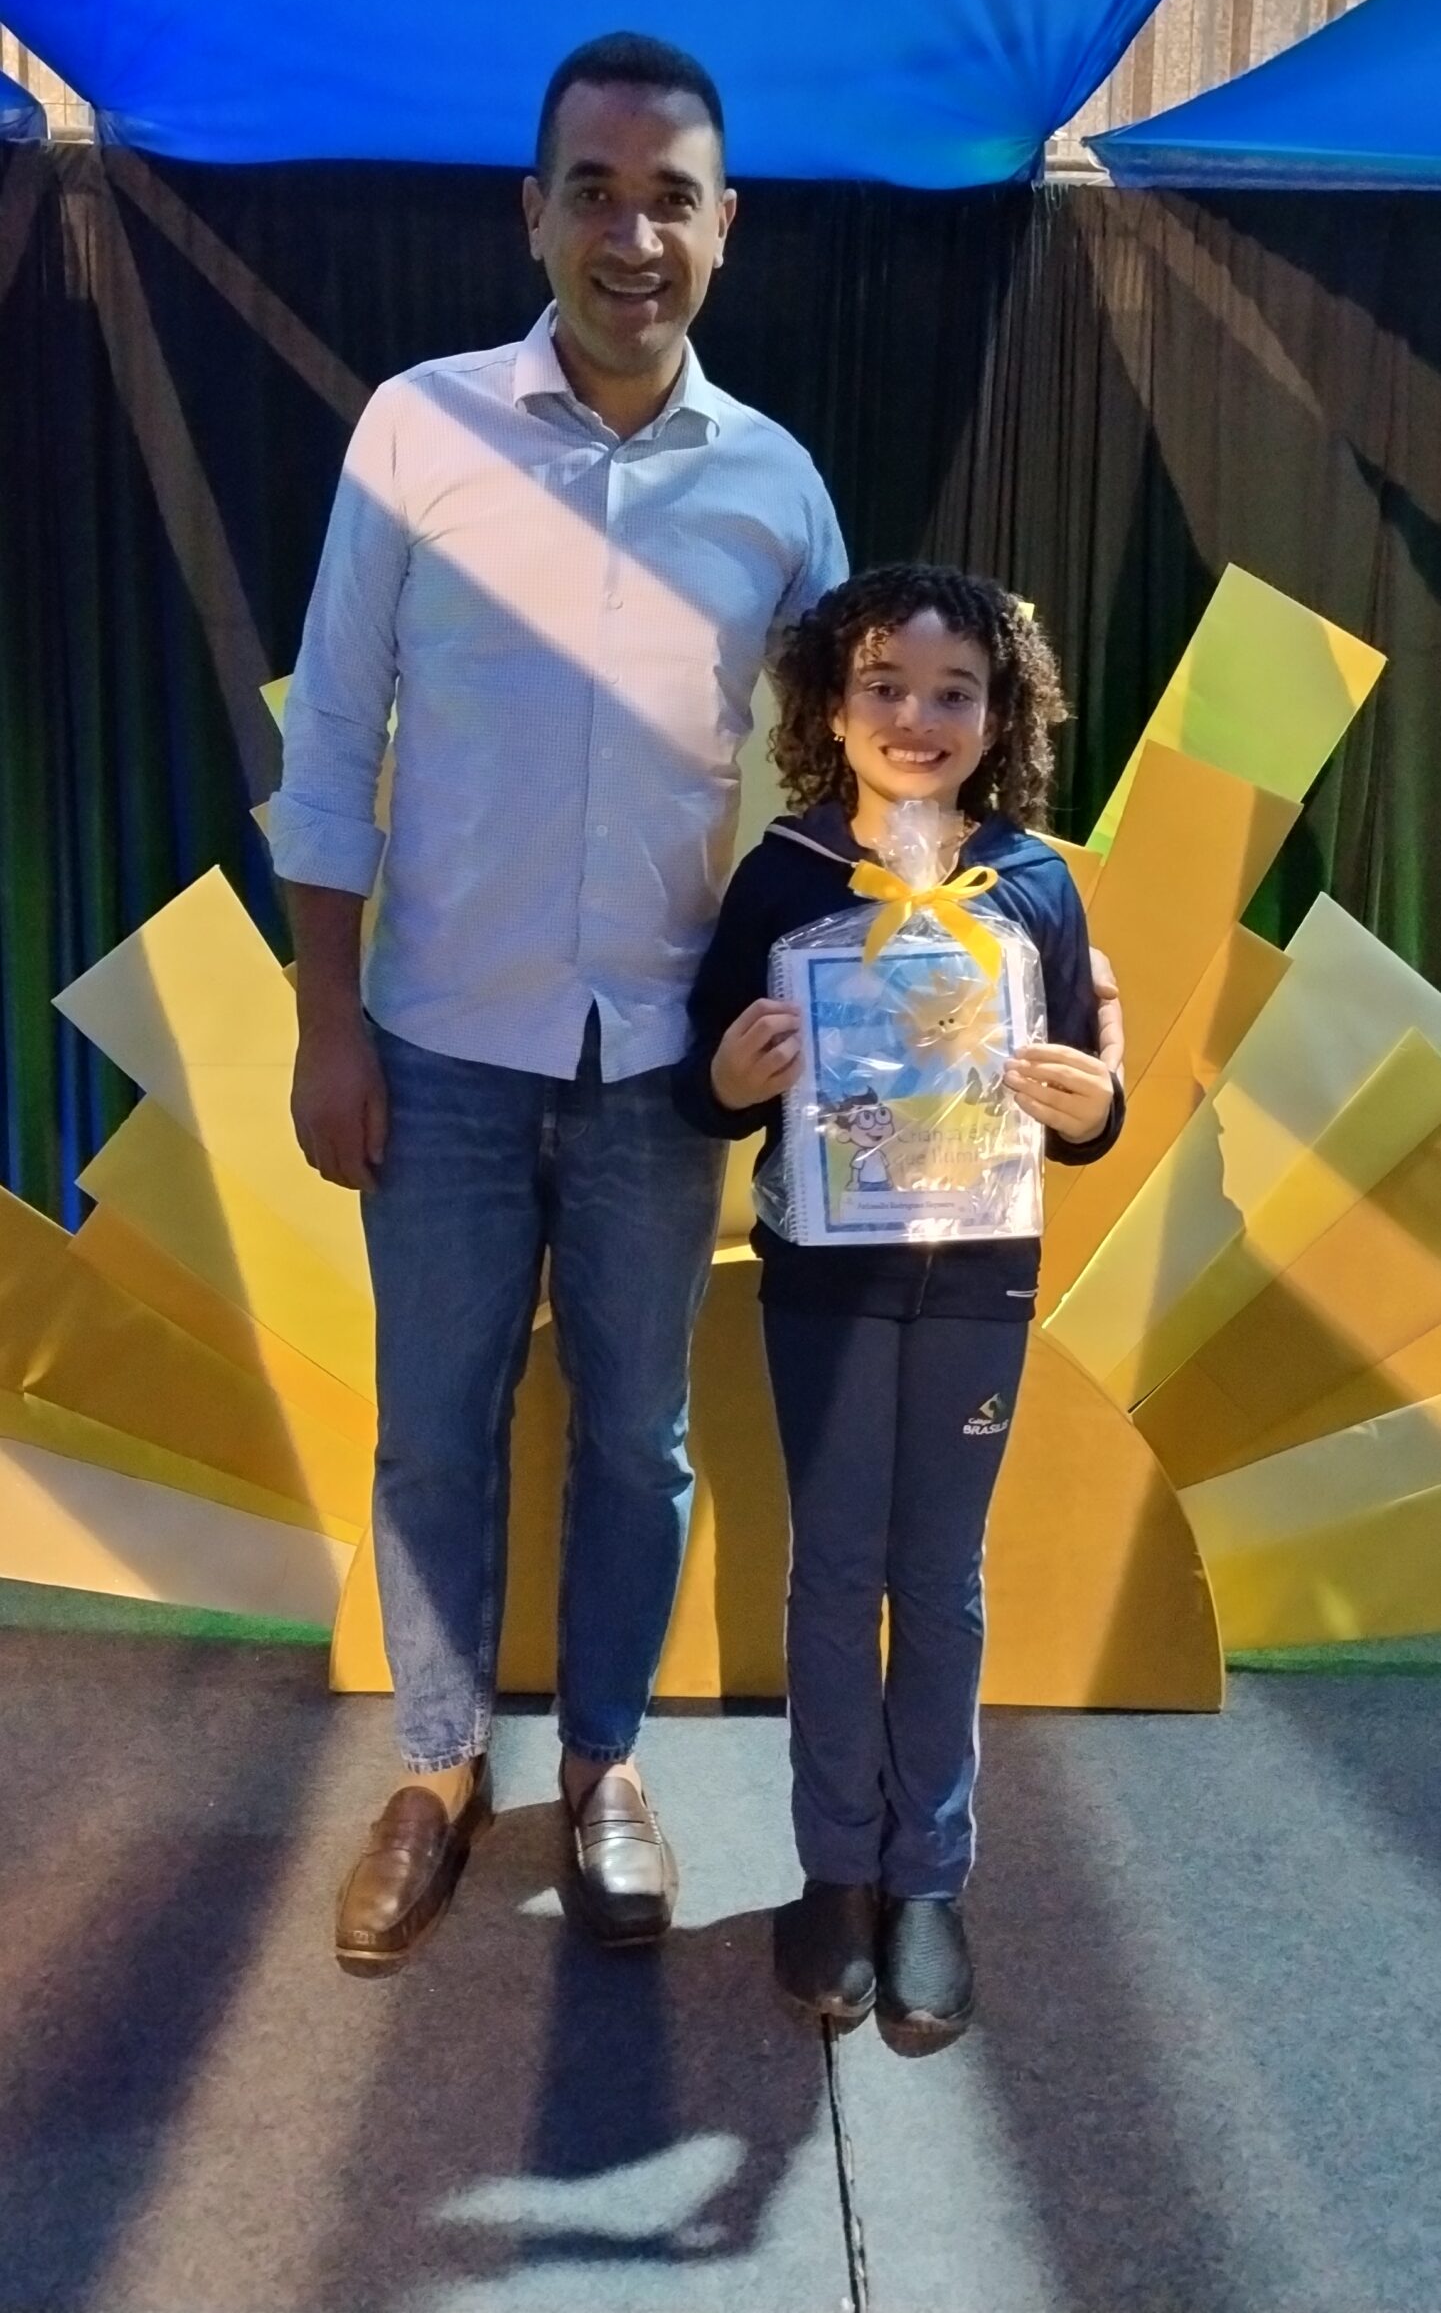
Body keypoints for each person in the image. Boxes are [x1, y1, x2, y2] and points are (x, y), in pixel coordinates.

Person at [268, 31, 849, 1971]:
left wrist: (979, 939)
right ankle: (437, 1772)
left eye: (669, 196)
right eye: (592, 192)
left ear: (725, 226)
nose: (630, 234)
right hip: (433, 1045)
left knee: (636, 1439)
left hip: (658, 1070)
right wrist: (325, 1023)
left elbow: (846, 780)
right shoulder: (416, 432)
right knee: (435, 1429)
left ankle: (602, 1765)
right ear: (532, 213)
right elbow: (331, 737)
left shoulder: (776, 489)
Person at [672, 565, 1125, 2052]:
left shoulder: (1034, 883)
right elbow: (705, 1083)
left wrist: (1094, 1109)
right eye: (884, 685)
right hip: (825, 1277)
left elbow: (1082, 1086)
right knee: (831, 1575)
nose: (916, 716)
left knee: (938, 1579)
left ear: (1001, 715)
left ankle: (928, 1878)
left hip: (982, 1277)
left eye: (952, 691)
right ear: (829, 703)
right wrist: (725, 1081)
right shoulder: (785, 877)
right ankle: (834, 1872)